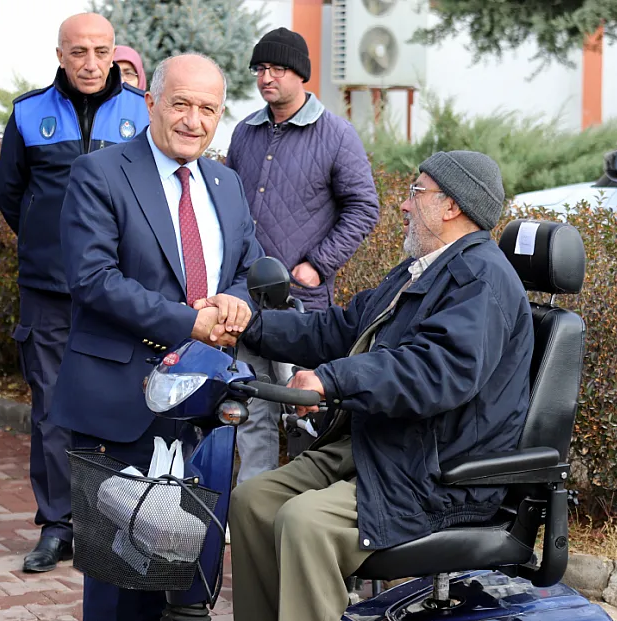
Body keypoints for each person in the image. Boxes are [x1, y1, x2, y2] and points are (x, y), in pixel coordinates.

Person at [229, 150, 534, 621]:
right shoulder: (421, 271)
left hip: (437, 473)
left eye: (417, 192)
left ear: (451, 206)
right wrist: (247, 326)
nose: (405, 204)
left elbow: (435, 372)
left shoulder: (481, 280)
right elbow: (337, 328)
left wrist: (331, 379)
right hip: (382, 446)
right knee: (253, 501)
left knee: (304, 522)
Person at [52, 52, 265, 621]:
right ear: (151, 103)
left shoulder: (226, 182)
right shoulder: (101, 173)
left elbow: (248, 267)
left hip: (203, 407)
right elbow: (92, 279)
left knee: (187, 576)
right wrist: (186, 322)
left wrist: (235, 303)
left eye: (208, 109)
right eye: (180, 104)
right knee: (120, 581)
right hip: (121, 403)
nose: (194, 121)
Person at [0, 12, 149, 574]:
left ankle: (115, 524)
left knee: (122, 405)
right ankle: (58, 525)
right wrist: (53, 244)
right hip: (48, 290)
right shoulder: (28, 113)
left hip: (120, 289)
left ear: (115, 53)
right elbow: (11, 195)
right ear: (59, 55)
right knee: (51, 409)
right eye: (78, 51)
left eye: (101, 51)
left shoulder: (143, 111)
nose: (90, 63)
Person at [226, 27, 379, 481]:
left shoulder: (336, 135)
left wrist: (318, 264)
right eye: (260, 68)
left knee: (303, 412)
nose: (266, 77)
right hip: (246, 299)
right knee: (251, 406)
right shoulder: (245, 132)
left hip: (300, 306)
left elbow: (364, 207)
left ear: (300, 74)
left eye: (276, 68)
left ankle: (301, 503)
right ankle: (251, 502)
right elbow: (229, 206)